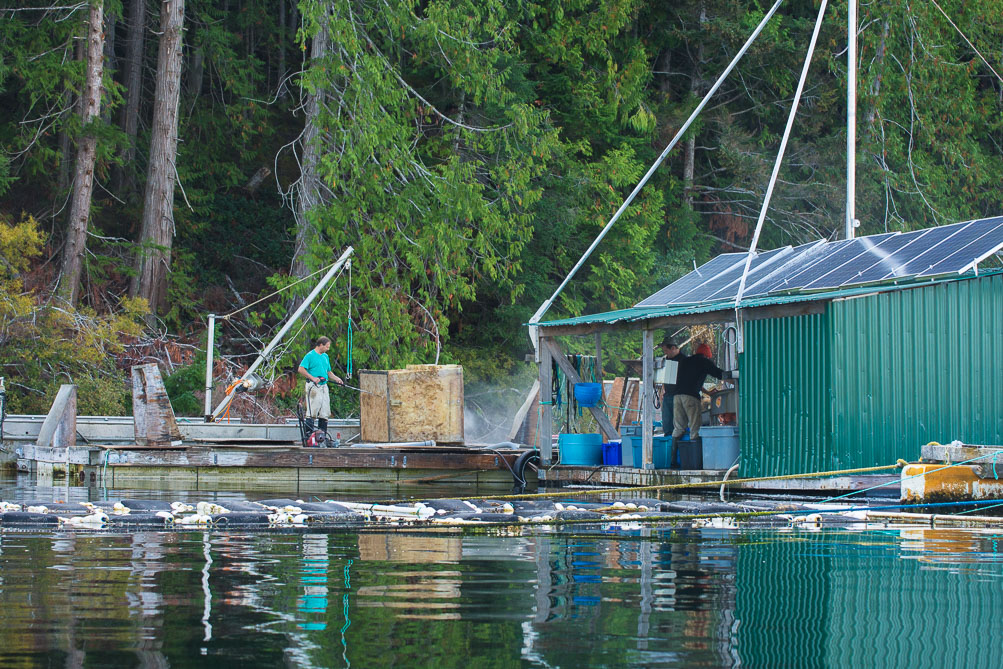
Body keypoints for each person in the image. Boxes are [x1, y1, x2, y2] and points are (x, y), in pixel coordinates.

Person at [671, 342, 724, 468]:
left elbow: (690, 379)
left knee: (678, 428)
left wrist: (707, 392)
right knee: (695, 428)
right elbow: (719, 374)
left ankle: (673, 460)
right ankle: (695, 462)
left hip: (677, 396)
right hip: (690, 398)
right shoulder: (704, 362)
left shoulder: (686, 361)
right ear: (707, 355)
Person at [297, 336, 344, 439]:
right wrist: (312, 378)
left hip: (324, 386)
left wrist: (337, 379)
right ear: (321, 345)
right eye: (327, 346)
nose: (328, 348)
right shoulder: (310, 356)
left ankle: (321, 436)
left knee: (325, 412)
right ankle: (309, 436)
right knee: (312, 411)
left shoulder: (325, 357)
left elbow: (328, 372)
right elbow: (301, 369)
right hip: (313, 387)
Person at [657, 336, 684, 437]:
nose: (665, 353)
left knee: (679, 425)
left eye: (666, 351)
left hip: (679, 396)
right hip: (667, 395)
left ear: (673, 348)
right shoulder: (667, 360)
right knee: (667, 423)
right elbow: (665, 377)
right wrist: (662, 391)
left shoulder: (684, 360)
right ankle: (668, 444)